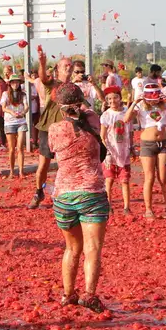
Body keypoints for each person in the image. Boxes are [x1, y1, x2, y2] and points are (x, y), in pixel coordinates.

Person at [48, 84, 109, 312]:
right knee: (92, 248)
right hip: (91, 192)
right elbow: (89, 111)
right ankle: (89, 295)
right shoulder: (92, 119)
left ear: (60, 108)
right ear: (81, 102)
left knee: (71, 248)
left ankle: (67, 294)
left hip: (63, 195)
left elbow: (53, 152)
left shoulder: (54, 129)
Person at [29, 47, 72, 209]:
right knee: (43, 166)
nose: (69, 67)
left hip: (66, 131)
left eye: (70, 65)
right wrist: (42, 62)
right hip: (47, 129)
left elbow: (84, 108)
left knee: (65, 165)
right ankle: (38, 191)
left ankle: (64, 195)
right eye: (65, 65)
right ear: (58, 69)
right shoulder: (52, 83)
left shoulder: (74, 89)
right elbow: (42, 77)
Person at [126, 82, 166, 219]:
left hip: (163, 143)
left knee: (163, 177)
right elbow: (126, 119)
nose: (153, 99)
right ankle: (148, 209)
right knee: (149, 178)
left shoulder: (164, 105)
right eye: (150, 96)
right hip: (147, 144)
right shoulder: (141, 106)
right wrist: (135, 102)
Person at [99, 87, 135, 214]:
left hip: (123, 152)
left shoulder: (126, 112)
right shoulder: (106, 115)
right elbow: (102, 136)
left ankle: (126, 207)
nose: (112, 101)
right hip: (110, 153)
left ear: (120, 98)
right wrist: (107, 153)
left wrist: (132, 148)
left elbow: (130, 132)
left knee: (125, 180)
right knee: (109, 180)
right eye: (109, 99)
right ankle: (108, 205)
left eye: (115, 97)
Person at [1, 78, 29, 178]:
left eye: (17, 82)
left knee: (20, 147)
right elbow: (3, 108)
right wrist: (12, 112)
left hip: (21, 122)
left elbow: (27, 106)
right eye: (13, 82)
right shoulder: (5, 94)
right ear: (10, 84)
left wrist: (23, 113)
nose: (15, 84)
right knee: (12, 149)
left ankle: (21, 171)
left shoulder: (23, 94)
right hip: (9, 122)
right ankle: (12, 171)